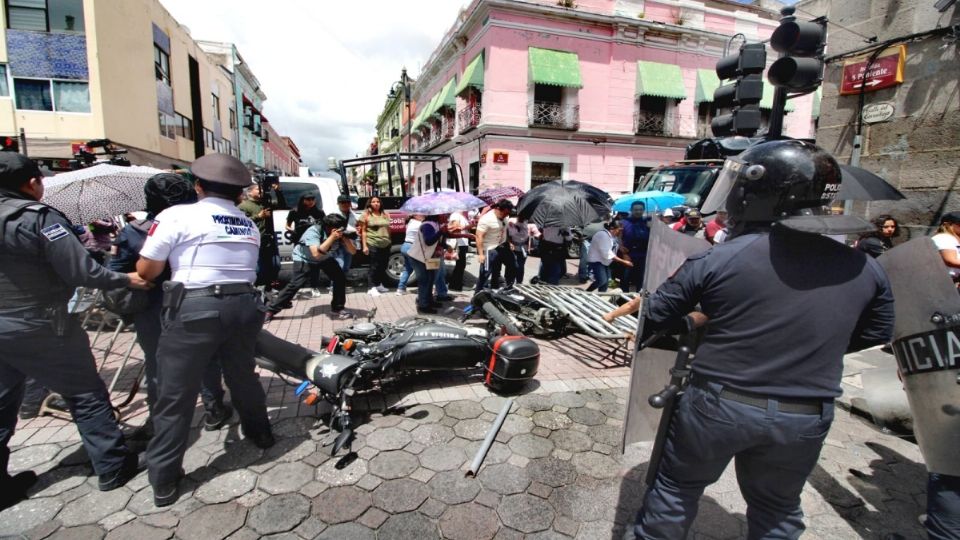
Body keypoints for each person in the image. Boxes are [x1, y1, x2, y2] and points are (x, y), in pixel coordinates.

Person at [634, 140, 894, 539]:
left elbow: (655, 314)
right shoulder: (867, 267)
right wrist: (810, 347)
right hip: (806, 412)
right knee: (778, 510)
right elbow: (877, 331)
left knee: (676, 490)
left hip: (719, 403)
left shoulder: (719, 257)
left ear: (756, 192)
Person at [0, 152, 152, 510]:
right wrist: (126, 278)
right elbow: (80, 270)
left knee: (2, 402)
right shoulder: (37, 218)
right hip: (41, 322)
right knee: (85, 393)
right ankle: (113, 466)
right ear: (31, 183)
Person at [136, 154, 274, 507]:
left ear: (197, 186)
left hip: (196, 309)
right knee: (243, 375)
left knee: (175, 393)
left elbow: (148, 270)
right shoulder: (246, 222)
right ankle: (261, 434)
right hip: (245, 307)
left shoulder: (177, 215)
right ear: (238, 192)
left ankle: (164, 480)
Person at [108, 173, 232, 438]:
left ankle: (161, 423)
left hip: (156, 308)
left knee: (158, 366)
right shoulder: (204, 223)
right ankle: (214, 409)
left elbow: (114, 270)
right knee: (206, 359)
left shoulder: (134, 232)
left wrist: (133, 278)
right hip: (195, 303)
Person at [266, 213, 355, 322]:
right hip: (304, 258)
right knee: (295, 284)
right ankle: (270, 311)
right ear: (328, 227)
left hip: (324, 257)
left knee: (339, 277)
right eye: (338, 228)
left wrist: (346, 239)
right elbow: (316, 254)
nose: (340, 230)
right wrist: (332, 238)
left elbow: (353, 251)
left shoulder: (338, 233)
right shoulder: (314, 231)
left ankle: (338, 307)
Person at [237, 183, 279, 291]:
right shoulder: (243, 206)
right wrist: (258, 217)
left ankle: (269, 285)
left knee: (275, 265)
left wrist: (277, 191)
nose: (261, 191)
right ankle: (259, 287)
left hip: (269, 239)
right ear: (250, 192)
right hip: (256, 240)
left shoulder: (265, 204)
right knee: (259, 267)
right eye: (258, 189)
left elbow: (280, 204)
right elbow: (241, 223)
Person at [474, 200, 515, 291]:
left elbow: (505, 230)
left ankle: (508, 287)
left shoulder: (506, 216)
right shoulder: (486, 219)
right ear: (498, 209)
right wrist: (481, 254)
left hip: (502, 245)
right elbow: (479, 236)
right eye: (504, 213)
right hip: (489, 248)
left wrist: (509, 242)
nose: (506, 215)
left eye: (507, 213)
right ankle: (478, 293)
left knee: (513, 265)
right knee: (485, 272)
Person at [408, 214, 445, 314]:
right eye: (445, 214)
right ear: (437, 215)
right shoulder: (427, 225)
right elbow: (428, 241)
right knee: (424, 281)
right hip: (418, 257)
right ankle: (423, 305)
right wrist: (441, 231)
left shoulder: (436, 224)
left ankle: (429, 301)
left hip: (427, 257)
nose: (446, 216)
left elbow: (438, 241)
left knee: (430, 279)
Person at [586, 219, 632, 293]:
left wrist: (622, 248)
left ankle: (600, 297)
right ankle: (587, 292)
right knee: (602, 281)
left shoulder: (613, 236)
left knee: (606, 283)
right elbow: (607, 253)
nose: (620, 232)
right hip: (597, 261)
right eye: (619, 230)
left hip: (605, 261)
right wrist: (624, 262)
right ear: (612, 229)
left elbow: (614, 245)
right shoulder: (603, 235)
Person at [358, 196, 391, 296]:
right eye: (373, 202)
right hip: (372, 243)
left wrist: (390, 240)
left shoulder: (385, 214)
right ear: (370, 203)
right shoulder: (366, 215)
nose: (376, 203)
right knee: (374, 266)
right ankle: (371, 287)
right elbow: (363, 231)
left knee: (383, 265)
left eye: (378, 202)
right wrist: (364, 246)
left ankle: (378, 284)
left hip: (386, 243)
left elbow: (388, 229)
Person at [621, 202, 650, 293]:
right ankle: (623, 300)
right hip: (628, 256)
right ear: (631, 210)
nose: (638, 211)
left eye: (641, 209)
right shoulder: (624, 222)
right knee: (625, 279)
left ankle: (638, 300)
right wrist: (623, 252)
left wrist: (652, 228)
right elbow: (617, 238)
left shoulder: (648, 222)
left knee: (641, 279)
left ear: (644, 210)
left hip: (643, 255)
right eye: (636, 209)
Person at [331, 194, 359, 279]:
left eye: (347, 202)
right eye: (343, 202)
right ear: (338, 203)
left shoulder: (355, 215)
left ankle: (341, 284)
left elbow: (358, 227)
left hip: (349, 243)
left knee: (346, 267)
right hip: (337, 244)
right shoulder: (333, 215)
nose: (345, 204)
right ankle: (334, 287)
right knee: (339, 266)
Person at [395, 213, 424, 296]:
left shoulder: (410, 222)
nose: (423, 215)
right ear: (414, 215)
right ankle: (422, 289)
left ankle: (400, 288)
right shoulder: (419, 224)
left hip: (405, 246)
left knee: (408, 269)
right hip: (412, 247)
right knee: (420, 269)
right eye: (420, 214)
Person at [507, 213, 535, 285]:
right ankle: (509, 283)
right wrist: (510, 243)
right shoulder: (511, 221)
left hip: (523, 249)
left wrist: (530, 246)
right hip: (513, 248)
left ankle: (519, 283)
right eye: (521, 216)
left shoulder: (529, 223)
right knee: (512, 266)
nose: (522, 218)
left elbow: (531, 236)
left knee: (520, 267)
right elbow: (507, 233)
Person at [446, 210, 471, 291]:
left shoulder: (462, 216)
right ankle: (455, 285)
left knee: (461, 264)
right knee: (460, 264)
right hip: (459, 242)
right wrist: (466, 227)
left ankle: (457, 283)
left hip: (463, 242)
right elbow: (454, 228)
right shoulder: (455, 215)